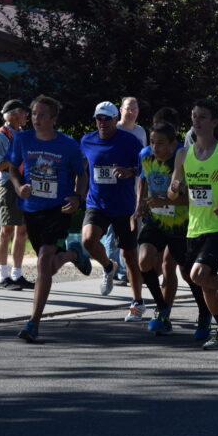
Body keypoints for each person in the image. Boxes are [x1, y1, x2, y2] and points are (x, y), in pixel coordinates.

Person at [168, 98, 218, 350]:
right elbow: (173, 193)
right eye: (194, 115)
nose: (196, 120)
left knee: (198, 274)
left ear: (214, 122)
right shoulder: (183, 154)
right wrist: (175, 188)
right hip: (195, 226)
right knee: (203, 281)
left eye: (202, 116)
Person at [9, 96, 91, 342]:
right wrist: (18, 186)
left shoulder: (67, 145)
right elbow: (13, 168)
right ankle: (73, 254)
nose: (36, 119)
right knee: (48, 265)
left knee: (44, 261)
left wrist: (77, 197)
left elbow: (82, 174)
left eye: (42, 115)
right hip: (32, 209)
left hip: (59, 208)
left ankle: (33, 322)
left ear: (54, 119)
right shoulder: (22, 139)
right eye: (34, 114)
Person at [135, 121, 202, 335]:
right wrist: (141, 204)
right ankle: (162, 308)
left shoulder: (182, 162)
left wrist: (166, 201)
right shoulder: (145, 156)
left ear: (174, 144)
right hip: (155, 221)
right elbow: (144, 180)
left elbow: (193, 199)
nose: (155, 148)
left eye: (161, 143)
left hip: (180, 224)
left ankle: (205, 311)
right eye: (153, 142)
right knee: (144, 261)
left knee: (187, 272)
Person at [79, 101, 145, 308]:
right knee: (88, 241)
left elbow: (145, 169)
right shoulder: (87, 140)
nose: (103, 122)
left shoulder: (130, 141)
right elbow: (82, 169)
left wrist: (130, 172)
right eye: (99, 118)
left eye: (107, 118)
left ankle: (137, 302)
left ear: (116, 119)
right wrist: (77, 194)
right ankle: (109, 266)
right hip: (96, 202)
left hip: (123, 205)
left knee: (130, 256)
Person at [0, 99, 32, 291]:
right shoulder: (0, 135)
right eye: (24, 113)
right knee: (6, 231)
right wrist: (19, 152)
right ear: (14, 114)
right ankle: (2, 276)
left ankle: (17, 274)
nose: (27, 117)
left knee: (22, 231)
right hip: (8, 185)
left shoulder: (22, 134)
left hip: (23, 185)